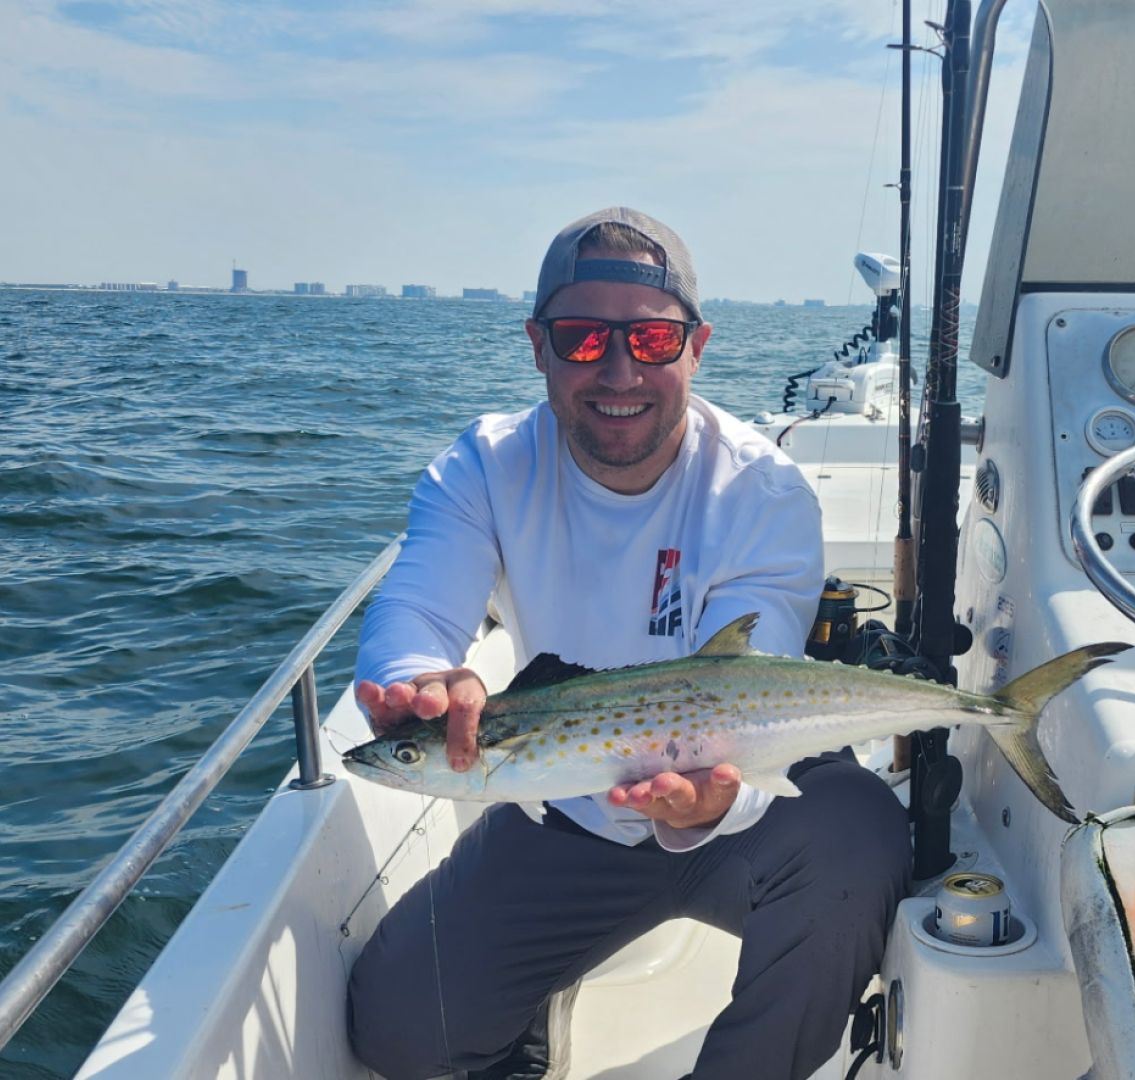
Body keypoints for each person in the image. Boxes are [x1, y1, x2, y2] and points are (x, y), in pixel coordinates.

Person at [346, 207, 911, 1080]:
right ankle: (526, 1022)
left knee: (860, 836)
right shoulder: (486, 467)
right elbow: (417, 605)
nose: (618, 372)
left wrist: (713, 806)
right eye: (581, 339)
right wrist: (416, 680)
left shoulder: (761, 488)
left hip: (748, 809)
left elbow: (750, 678)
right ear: (537, 346)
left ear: (697, 347)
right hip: (569, 806)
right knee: (398, 1024)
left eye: (651, 340)